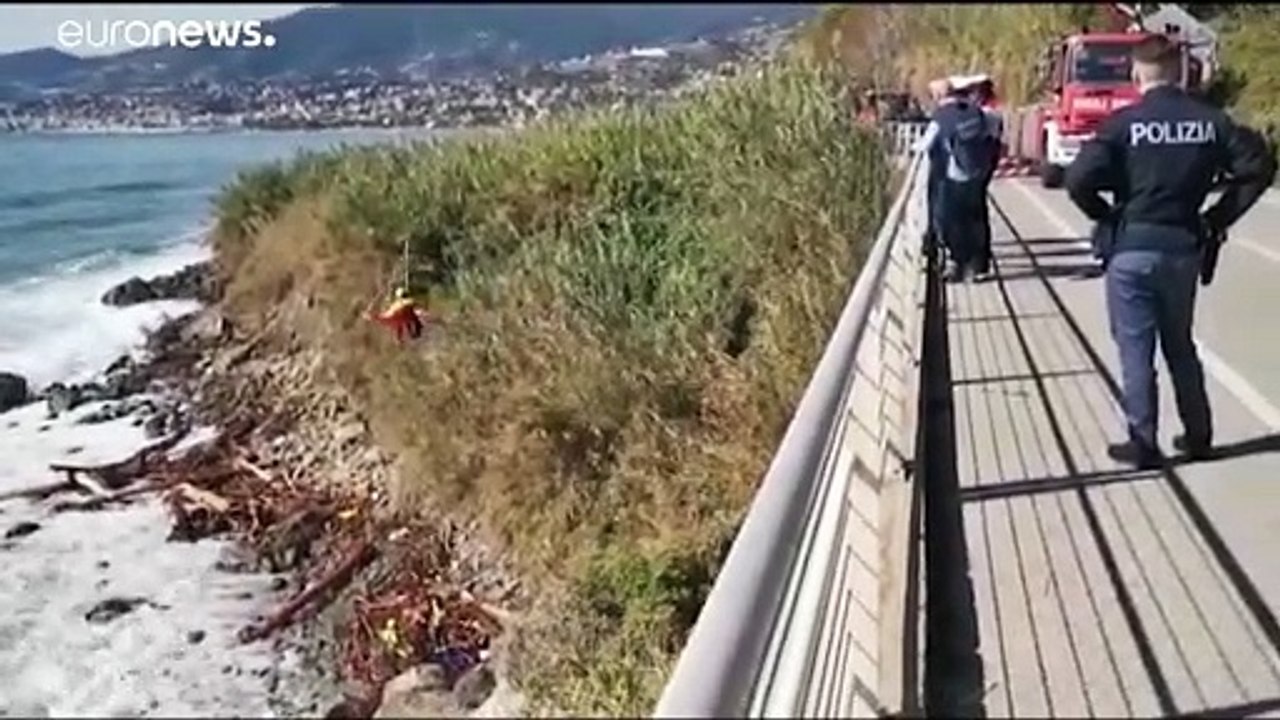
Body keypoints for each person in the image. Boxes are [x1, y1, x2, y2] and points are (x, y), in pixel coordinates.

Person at [1064, 34, 1276, 469]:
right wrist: (1218, 218)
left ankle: (1143, 442)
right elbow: (1258, 168)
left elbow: (1078, 179)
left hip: (1132, 248)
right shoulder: (1212, 122)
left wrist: (1106, 217)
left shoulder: (1123, 125)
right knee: (1179, 343)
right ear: (1182, 73)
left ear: (1136, 73)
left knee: (1135, 348)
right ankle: (1199, 436)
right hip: (1183, 247)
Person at [917, 80, 1001, 282]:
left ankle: (957, 264)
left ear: (938, 97)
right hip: (978, 176)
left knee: (953, 222)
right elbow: (992, 137)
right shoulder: (977, 112)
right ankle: (979, 266)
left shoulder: (941, 117)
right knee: (977, 219)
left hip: (954, 177)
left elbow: (923, 145)